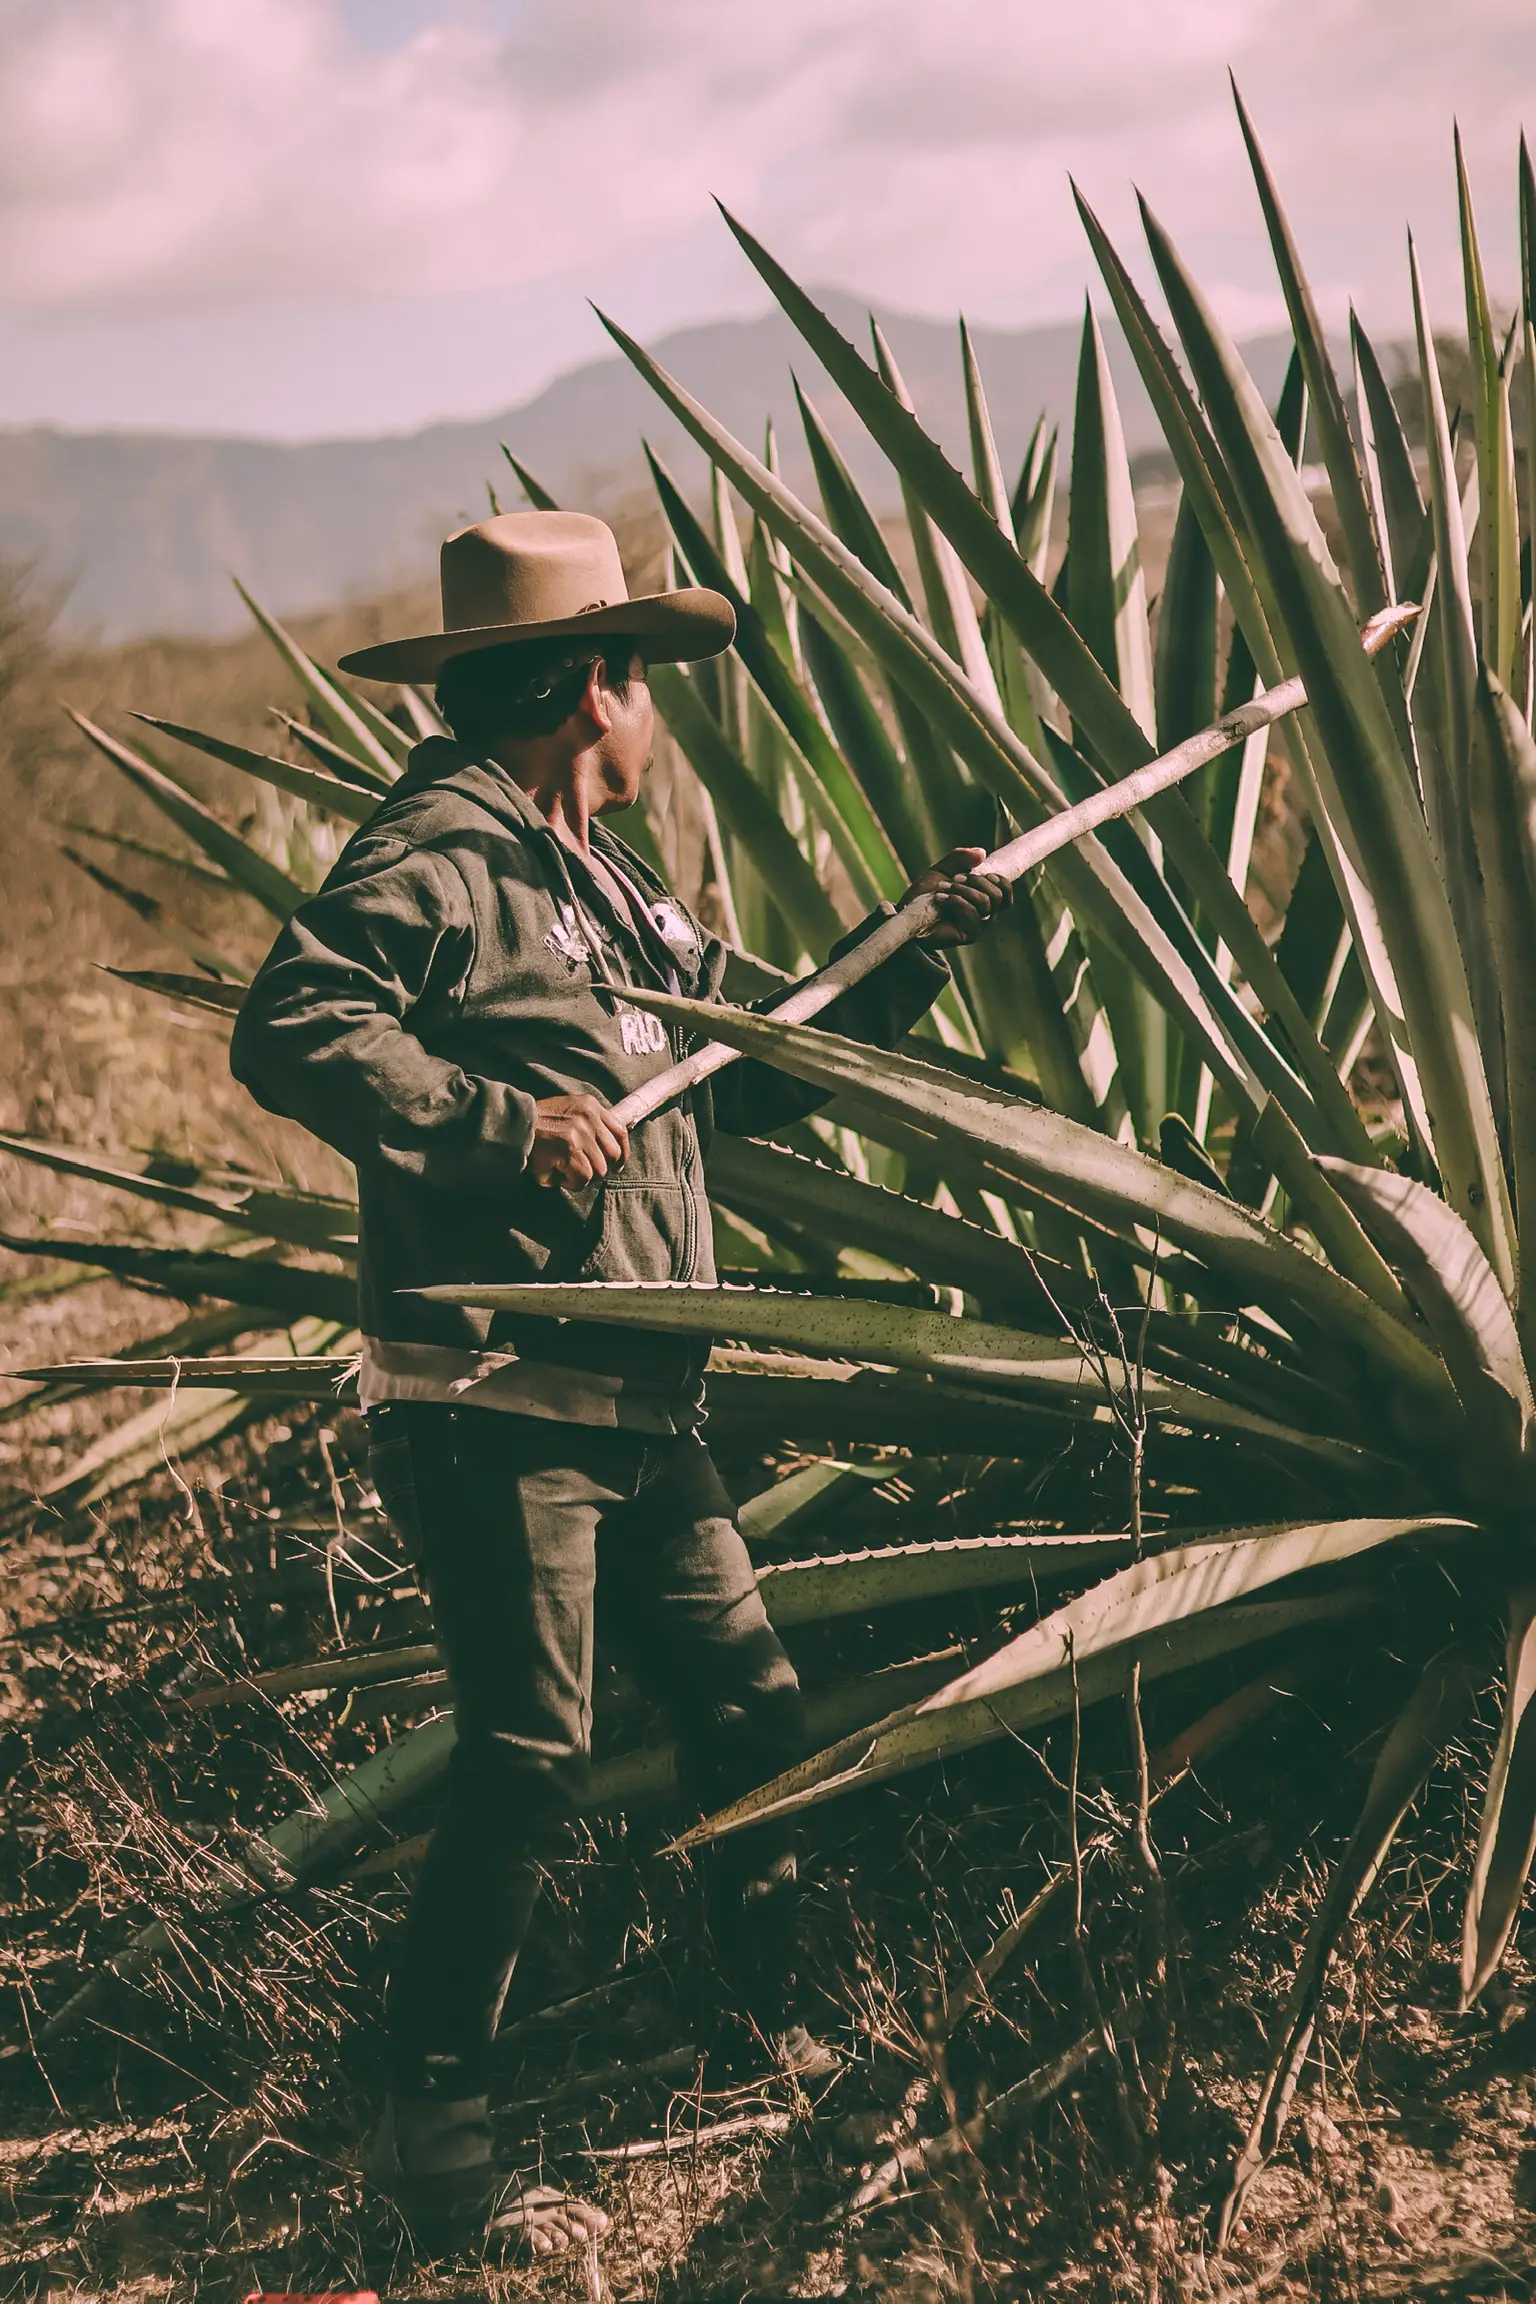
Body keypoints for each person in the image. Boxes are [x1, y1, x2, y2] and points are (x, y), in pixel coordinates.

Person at [229, 509, 1012, 2257]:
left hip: (642, 1400)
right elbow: (292, 1022)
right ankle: (433, 2134)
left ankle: (763, 2029)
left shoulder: (612, 892)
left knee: (746, 1704)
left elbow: (753, 1071)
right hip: (502, 1401)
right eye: (643, 683)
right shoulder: (440, 853)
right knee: (525, 1757)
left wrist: (920, 941)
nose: (654, 716)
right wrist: (507, 1126)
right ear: (595, 685)